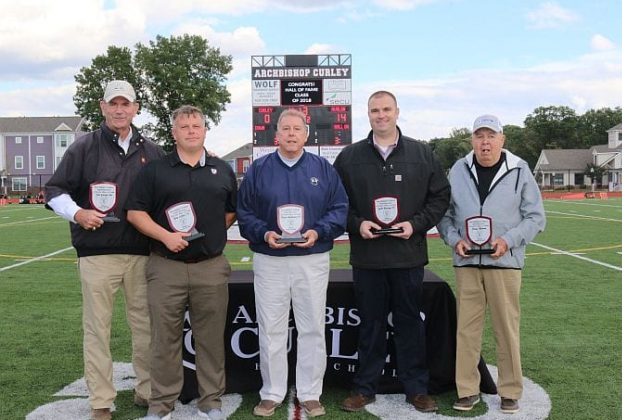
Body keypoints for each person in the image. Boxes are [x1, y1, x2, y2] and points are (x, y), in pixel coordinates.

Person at [44, 80, 163, 420]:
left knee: (146, 327)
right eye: (114, 104)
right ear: (103, 107)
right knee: (98, 329)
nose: (120, 109)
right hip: (96, 254)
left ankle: (148, 390)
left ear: (136, 108)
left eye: (126, 104)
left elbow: (170, 188)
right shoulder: (84, 147)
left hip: (142, 254)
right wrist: (78, 213)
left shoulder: (152, 151)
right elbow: (54, 190)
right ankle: (101, 401)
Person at [333, 91, 450, 413]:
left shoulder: (422, 153)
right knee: (370, 324)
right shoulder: (349, 157)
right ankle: (364, 388)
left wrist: (416, 224)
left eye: (386, 109)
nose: (381, 115)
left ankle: (417, 389)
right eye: (375, 110)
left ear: (397, 112)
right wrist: (357, 225)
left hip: (407, 255)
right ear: (367, 114)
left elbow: (440, 197)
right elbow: (335, 203)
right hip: (368, 258)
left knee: (409, 323)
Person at [125, 105, 237, 420]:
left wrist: (211, 235)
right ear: (174, 133)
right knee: (164, 340)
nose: (191, 130)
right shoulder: (155, 170)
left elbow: (230, 212)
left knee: (211, 339)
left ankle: (210, 402)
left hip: (210, 266)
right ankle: (161, 406)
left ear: (205, 130)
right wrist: (165, 236)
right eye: (184, 126)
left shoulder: (221, 169)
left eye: (196, 125)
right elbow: (135, 213)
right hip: (166, 265)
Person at [236, 108, 348, 418]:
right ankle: (271, 392)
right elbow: (244, 214)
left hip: (311, 259)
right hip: (270, 259)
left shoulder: (323, 168)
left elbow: (339, 210)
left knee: (312, 326)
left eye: (296, 129)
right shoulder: (258, 169)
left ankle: (311, 393)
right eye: (285, 128)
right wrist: (264, 233)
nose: (291, 134)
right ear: (276, 134)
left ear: (306, 133)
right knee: (271, 328)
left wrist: (318, 231)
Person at [437, 114, 546, 414]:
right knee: (467, 330)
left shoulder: (519, 169)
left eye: (490, 136)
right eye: (479, 136)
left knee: (506, 329)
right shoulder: (458, 169)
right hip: (467, 262)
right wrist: (453, 239)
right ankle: (467, 389)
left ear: (502, 139)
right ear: (472, 140)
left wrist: (508, 241)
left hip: (505, 262)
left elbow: (536, 217)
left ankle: (510, 390)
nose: (485, 142)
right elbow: (444, 215)